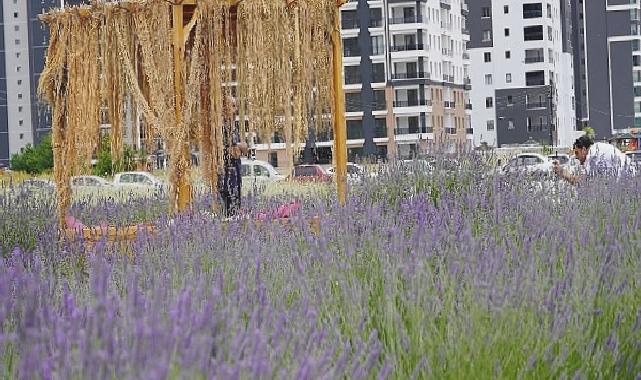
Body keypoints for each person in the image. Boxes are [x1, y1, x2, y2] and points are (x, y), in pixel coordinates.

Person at [554, 135, 634, 184]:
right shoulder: (597, 148)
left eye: (577, 153)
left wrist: (563, 173)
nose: (576, 157)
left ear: (584, 150)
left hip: (630, 181)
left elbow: (581, 183)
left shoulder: (593, 156)